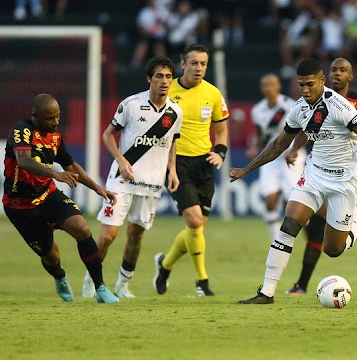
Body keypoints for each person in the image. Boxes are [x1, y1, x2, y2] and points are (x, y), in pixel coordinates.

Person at [231, 58, 357, 304]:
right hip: (314, 175)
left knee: (333, 249)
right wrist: (246, 170)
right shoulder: (299, 108)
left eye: (310, 84)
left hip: (345, 182)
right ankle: (266, 293)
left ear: (322, 81)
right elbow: (279, 144)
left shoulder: (339, 106)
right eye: (301, 85)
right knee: (289, 224)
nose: (305, 90)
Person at [284, 57, 357, 295]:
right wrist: (295, 148)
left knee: (320, 232)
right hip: (318, 172)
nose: (337, 73)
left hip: (345, 177)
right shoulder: (317, 98)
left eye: (343, 70)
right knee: (314, 230)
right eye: (334, 70)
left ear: (350, 76)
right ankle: (301, 284)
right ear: (326, 75)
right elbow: (305, 127)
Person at [82, 57, 183, 299]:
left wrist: (173, 170)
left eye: (168, 77)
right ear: (149, 78)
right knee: (108, 236)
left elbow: (172, 144)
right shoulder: (131, 104)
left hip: (152, 185)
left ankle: (123, 284)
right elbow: (108, 135)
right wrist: (121, 160)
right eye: (159, 76)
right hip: (121, 181)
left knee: (136, 236)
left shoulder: (175, 112)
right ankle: (91, 280)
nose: (164, 81)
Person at [3, 94, 118, 303]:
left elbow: (70, 165)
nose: (56, 122)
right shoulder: (22, 129)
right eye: (50, 118)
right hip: (21, 207)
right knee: (51, 255)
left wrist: (97, 188)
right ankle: (60, 276)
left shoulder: (55, 136)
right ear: (35, 116)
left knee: (82, 229)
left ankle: (100, 287)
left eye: (58, 117)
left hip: (48, 195)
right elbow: (23, 160)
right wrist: (55, 174)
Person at [153, 44, 229, 297]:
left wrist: (220, 152)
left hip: (204, 164)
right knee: (194, 222)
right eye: (194, 63)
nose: (199, 68)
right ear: (183, 64)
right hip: (176, 163)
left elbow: (221, 129)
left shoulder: (213, 94)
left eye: (203, 64)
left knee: (196, 230)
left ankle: (164, 265)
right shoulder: (167, 89)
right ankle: (202, 282)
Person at [247, 73, 305, 239]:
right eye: (265, 85)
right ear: (261, 88)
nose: (269, 88)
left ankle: (307, 233)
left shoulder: (290, 106)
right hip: (270, 157)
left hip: (291, 157)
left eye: (272, 84)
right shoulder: (257, 110)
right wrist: (254, 148)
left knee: (291, 203)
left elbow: (304, 130)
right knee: (270, 201)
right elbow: (261, 134)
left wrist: (293, 148)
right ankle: (276, 240)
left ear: (279, 86)